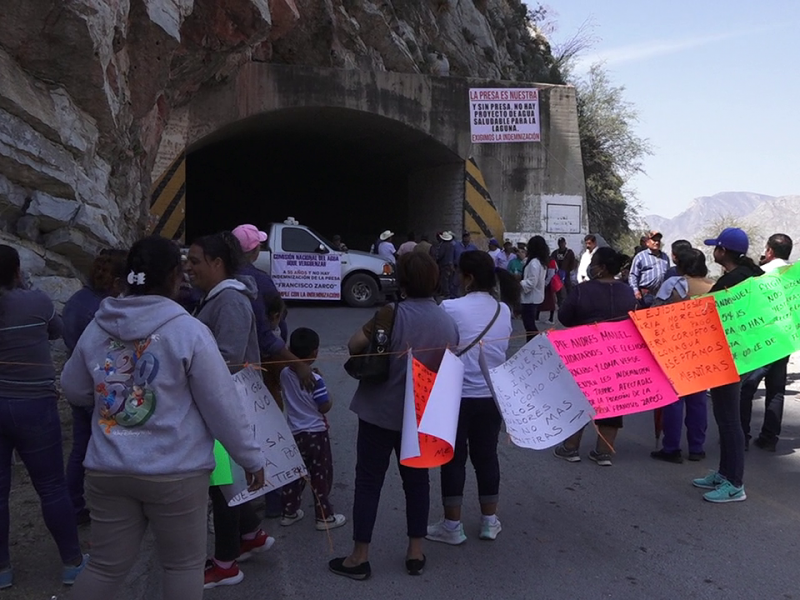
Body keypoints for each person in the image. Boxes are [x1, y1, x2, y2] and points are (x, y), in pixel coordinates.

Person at [61, 236, 265, 599]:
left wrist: (111, 394)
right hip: (175, 471)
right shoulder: (188, 331)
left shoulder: (99, 326)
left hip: (109, 467)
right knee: (182, 566)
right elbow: (221, 405)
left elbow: (74, 389)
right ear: (174, 276)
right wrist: (249, 456)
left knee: (105, 567)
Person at [329, 252, 459, 581]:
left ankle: (359, 557)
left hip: (378, 411)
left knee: (368, 482)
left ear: (401, 281)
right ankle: (415, 551)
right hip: (421, 417)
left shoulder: (391, 313)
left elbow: (353, 343)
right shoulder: (447, 322)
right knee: (416, 483)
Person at [186, 232, 275, 588]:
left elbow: (229, 359)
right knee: (225, 482)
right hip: (218, 404)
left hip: (225, 405)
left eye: (195, 261)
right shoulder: (214, 298)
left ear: (217, 264)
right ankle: (250, 534)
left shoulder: (230, 302)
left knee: (224, 485)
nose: (188, 268)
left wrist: (187, 373)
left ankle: (225, 564)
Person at [0, 245, 85, 590]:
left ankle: (2, 571)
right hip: (34, 405)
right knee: (51, 487)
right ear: (17, 271)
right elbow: (57, 330)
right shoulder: (36, 301)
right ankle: (71, 562)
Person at [427, 251, 516, 546]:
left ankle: (452, 525)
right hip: (491, 396)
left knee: (453, 460)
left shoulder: (449, 307)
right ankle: (490, 521)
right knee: (486, 457)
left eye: (458, 273)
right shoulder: (502, 310)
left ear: (468, 278)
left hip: (455, 395)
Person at [233, 223, 313, 518]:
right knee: (267, 428)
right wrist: (297, 363)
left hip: (227, 370)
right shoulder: (260, 282)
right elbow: (269, 334)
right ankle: (276, 499)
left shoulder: (224, 280)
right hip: (261, 365)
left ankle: (239, 498)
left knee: (235, 433)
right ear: (254, 251)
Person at [693, 227, 762, 503]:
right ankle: (724, 473)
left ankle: (735, 483)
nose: (714, 251)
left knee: (730, 420)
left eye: (716, 247)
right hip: (744, 356)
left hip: (726, 358)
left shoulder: (731, 282)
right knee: (724, 416)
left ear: (723, 251)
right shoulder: (754, 277)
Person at [553, 247, 637, 466]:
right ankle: (604, 452)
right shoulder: (627, 291)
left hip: (585, 352)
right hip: (618, 354)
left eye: (595, 262)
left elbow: (565, 316)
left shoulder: (583, 290)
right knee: (612, 401)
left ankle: (570, 448)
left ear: (601, 268)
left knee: (579, 397)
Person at [62, 249, 128, 526]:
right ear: (117, 281)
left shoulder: (76, 300)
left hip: (78, 384)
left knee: (80, 448)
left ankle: (73, 505)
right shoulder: (105, 310)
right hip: (100, 387)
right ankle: (115, 505)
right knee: (111, 446)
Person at [650, 248, 715, 464]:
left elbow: (654, 312)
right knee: (698, 402)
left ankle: (671, 447)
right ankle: (696, 447)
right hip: (704, 351)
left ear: (682, 266)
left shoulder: (673, 285)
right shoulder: (713, 287)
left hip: (677, 348)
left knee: (674, 400)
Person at [280, 328, 346, 530]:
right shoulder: (316, 381)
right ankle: (324, 517)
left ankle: (289, 512)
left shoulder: (284, 373)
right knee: (320, 475)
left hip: (295, 433)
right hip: (316, 434)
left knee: (296, 473)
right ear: (315, 353)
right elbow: (324, 406)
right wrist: (330, 396)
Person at [740, 233, 794, 452]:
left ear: (769, 251)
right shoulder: (793, 275)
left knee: (747, 387)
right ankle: (769, 437)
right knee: (776, 389)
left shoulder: (761, 274)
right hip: (786, 338)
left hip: (763, 338)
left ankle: (741, 435)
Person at [628, 230, 671, 307]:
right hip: (646, 295)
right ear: (647, 242)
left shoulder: (665, 257)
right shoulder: (640, 257)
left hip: (661, 295)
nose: (657, 243)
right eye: (654, 240)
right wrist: (635, 291)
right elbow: (633, 275)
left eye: (658, 240)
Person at [520, 236, 549, 341]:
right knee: (529, 326)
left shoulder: (534, 263)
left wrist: (519, 283)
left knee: (530, 326)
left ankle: (537, 343)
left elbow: (532, 282)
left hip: (530, 298)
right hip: (534, 297)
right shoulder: (539, 261)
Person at [434, 231, 456, 300]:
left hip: (444, 264)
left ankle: (446, 293)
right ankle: (451, 292)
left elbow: (440, 255)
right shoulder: (452, 245)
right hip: (450, 264)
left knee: (444, 279)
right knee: (450, 279)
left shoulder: (443, 245)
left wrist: (436, 259)